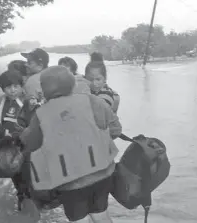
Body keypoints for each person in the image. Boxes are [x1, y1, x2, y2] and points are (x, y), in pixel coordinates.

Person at [20, 66, 122, 223]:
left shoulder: (41, 115)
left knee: (79, 219)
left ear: (44, 89)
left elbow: (30, 145)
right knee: (100, 213)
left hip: (70, 181)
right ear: (72, 84)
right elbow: (115, 130)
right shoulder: (93, 100)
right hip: (103, 172)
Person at [0, 70, 32, 211]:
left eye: (16, 86)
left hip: (25, 147)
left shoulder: (29, 102)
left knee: (26, 176)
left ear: (22, 86)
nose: (12, 90)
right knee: (15, 175)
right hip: (6, 147)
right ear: (3, 89)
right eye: (8, 87)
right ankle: (22, 197)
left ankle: (28, 200)